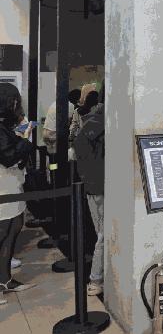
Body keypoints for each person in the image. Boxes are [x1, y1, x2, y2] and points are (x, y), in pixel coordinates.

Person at [0, 83, 36, 302]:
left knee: (14, 226)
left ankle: (5, 279)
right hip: (4, 185)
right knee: (4, 230)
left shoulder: (5, 124)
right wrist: (24, 139)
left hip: (12, 183)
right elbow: (8, 157)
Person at [74, 84, 105, 296]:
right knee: (103, 235)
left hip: (93, 186)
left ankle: (98, 277)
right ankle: (96, 279)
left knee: (101, 233)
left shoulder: (91, 120)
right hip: (101, 186)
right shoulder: (103, 123)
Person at [42, 89, 81, 156]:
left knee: (53, 156)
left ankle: (52, 162)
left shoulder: (56, 102)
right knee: (64, 153)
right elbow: (68, 123)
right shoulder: (70, 105)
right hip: (54, 134)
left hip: (46, 133)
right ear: (77, 98)